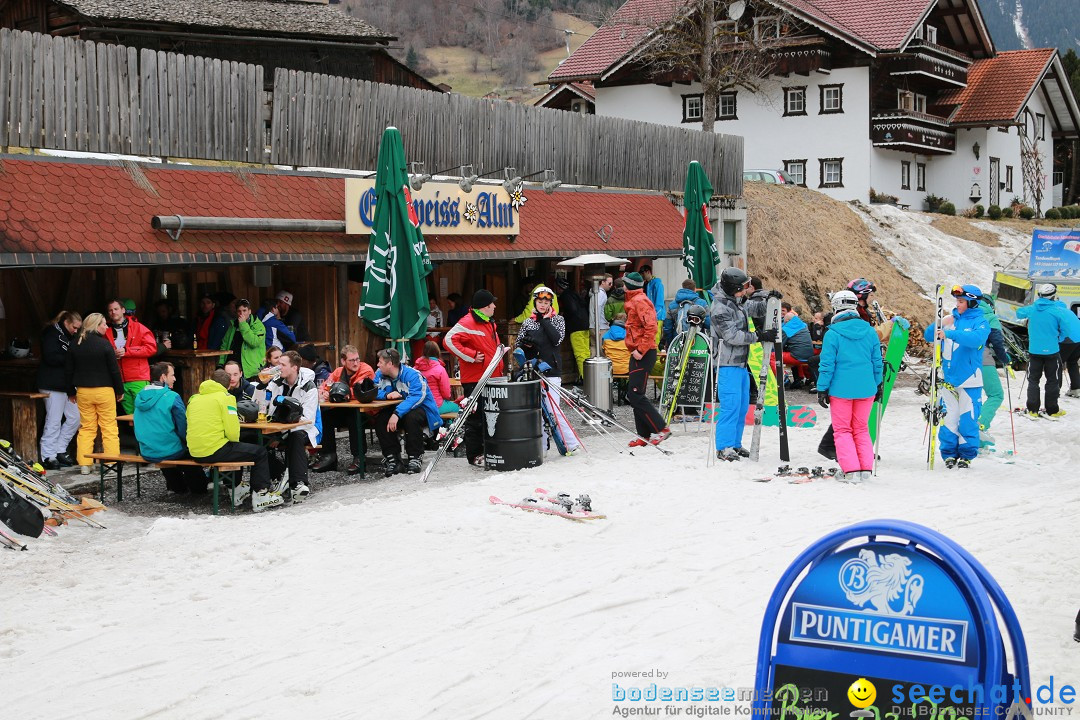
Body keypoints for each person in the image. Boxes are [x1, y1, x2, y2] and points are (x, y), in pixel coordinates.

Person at [187, 369, 280, 511]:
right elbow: (232, 432)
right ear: (228, 386)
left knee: (236, 448)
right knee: (259, 452)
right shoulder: (226, 398)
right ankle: (261, 495)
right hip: (214, 450)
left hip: (194, 451)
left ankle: (236, 489)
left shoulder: (194, 399)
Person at [815, 291, 883, 482]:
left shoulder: (833, 333)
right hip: (866, 389)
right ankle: (864, 470)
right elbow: (877, 362)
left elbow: (827, 365)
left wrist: (822, 389)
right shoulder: (870, 331)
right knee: (861, 429)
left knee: (843, 430)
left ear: (836, 307)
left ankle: (850, 471)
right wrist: (878, 385)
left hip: (840, 390)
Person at [711, 267, 777, 460]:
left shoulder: (736, 301)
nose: (745, 290)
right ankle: (724, 447)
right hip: (727, 364)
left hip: (740, 364)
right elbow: (732, 336)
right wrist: (759, 336)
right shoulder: (720, 308)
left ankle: (735, 444)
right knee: (730, 406)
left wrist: (769, 298)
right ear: (732, 287)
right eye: (743, 287)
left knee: (741, 407)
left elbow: (754, 308)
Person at [923, 284, 991, 468]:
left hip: (970, 379)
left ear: (972, 303)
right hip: (948, 379)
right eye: (957, 301)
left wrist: (950, 333)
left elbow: (975, 340)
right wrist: (940, 323)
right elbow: (929, 335)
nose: (958, 304)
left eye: (961, 301)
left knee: (968, 418)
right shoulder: (951, 319)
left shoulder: (981, 322)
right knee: (949, 418)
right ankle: (949, 453)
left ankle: (967, 454)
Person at [515, 286, 580, 454]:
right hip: (533, 370)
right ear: (534, 302)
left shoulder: (558, 319)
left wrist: (543, 320)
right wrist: (526, 345)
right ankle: (541, 446)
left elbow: (557, 339)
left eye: (546, 302)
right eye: (539, 301)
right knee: (536, 411)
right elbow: (518, 344)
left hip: (551, 370)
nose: (543, 305)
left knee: (553, 410)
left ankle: (571, 443)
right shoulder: (528, 322)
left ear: (551, 303)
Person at [444, 289, 504, 467]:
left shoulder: (487, 322)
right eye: (492, 303)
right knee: (476, 418)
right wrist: (470, 355)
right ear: (484, 307)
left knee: (490, 416)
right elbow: (448, 340)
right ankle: (475, 455)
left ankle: (489, 451)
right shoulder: (468, 321)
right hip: (475, 379)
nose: (494, 305)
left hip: (491, 377)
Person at [64, 313, 123, 475]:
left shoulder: (75, 344)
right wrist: (120, 390)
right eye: (104, 324)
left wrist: (70, 392)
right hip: (104, 391)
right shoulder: (104, 345)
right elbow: (114, 371)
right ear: (96, 326)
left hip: (83, 391)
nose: (107, 327)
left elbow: (68, 371)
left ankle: (84, 464)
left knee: (86, 428)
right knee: (109, 428)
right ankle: (111, 463)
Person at [134, 362, 206, 494]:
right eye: (172, 375)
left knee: (167, 446)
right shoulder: (172, 397)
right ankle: (199, 489)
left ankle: (177, 487)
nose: (175, 379)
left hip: (147, 450)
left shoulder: (140, 396)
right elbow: (182, 427)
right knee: (190, 452)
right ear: (163, 377)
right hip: (168, 449)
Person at [372, 348, 442, 476]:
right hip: (398, 411)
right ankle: (393, 459)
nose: (378, 365)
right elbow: (373, 391)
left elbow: (417, 396)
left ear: (390, 364)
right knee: (381, 419)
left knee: (411, 417)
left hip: (423, 410)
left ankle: (415, 457)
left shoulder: (413, 375)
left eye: (380, 362)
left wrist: (397, 413)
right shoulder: (379, 374)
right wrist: (387, 395)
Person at [1015, 283, 1080, 418]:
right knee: (1052, 380)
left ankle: (1032, 409)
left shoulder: (1032, 309)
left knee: (1033, 380)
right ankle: (1052, 410)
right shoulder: (1058, 311)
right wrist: (1059, 338)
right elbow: (1066, 331)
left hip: (1034, 351)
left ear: (1040, 295)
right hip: (1052, 351)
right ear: (1053, 296)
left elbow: (1018, 313)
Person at [622, 272, 670, 446]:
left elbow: (651, 327)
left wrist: (640, 350)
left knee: (635, 395)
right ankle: (644, 436)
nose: (621, 286)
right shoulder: (634, 300)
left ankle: (661, 428)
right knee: (635, 394)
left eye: (624, 283)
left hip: (643, 353)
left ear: (629, 286)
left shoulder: (640, 301)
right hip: (637, 352)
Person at [265, 350, 320, 501]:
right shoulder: (275, 383)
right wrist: (261, 387)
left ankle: (299, 483)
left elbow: (307, 419)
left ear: (294, 367)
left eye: (282, 364)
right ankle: (279, 476)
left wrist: (283, 431)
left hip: (306, 428)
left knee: (295, 437)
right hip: (278, 427)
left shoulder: (309, 387)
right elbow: (263, 408)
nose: (278, 367)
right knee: (259, 441)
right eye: (278, 363)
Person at [314, 345, 375, 474]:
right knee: (326, 416)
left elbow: (359, 391)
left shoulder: (366, 370)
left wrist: (337, 393)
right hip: (344, 409)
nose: (356, 363)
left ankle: (359, 458)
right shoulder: (338, 372)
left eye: (357, 359)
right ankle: (329, 456)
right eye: (352, 360)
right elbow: (325, 386)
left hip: (366, 412)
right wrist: (325, 393)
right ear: (343, 361)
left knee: (354, 416)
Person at [38, 311, 82, 469]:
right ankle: (47, 456)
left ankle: (60, 449)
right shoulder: (51, 333)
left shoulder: (70, 337)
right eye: (74, 327)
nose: (75, 330)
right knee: (54, 420)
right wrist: (71, 359)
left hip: (67, 386)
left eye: (78, 328)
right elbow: (50, 357)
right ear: (66, 322)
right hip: (51, 384)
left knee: (76, 417)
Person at [104, 298, 157, 414]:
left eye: (116, 309)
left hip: (138, 377)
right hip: (119, 379)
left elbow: (152, 348)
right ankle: (136, 433)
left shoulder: (139, 328)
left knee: (144, 411)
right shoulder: (105, 330)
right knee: (130, 415)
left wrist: (127, 351)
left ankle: (147, 433)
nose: (113, 312)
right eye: (110, 310)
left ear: (123, 310)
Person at [976, 294, 1011, 448]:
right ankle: (980, 428)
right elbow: (997, 342)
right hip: (982, 359)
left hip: (960, 360)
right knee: (996, 394)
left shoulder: (965, 313)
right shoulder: (990, 317)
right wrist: (1005, 359)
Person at [219, 299, 266, 380]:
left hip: (250, 369)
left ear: (250, 311)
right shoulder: (233, 325)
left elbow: (254, 342)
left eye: (244, 310)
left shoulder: (258, 325)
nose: (242, 314)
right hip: (232, 366)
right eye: (239, 311)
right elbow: (225, 345)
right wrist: (221, 363)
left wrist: (243, 324)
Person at [414, 341, 460, 415]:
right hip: (436, 405)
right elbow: (446, 394)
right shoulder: (440, 369)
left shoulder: (415, 369)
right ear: (437, 352)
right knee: (458, 407)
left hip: (419, 405)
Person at [558, 276, 591, 379]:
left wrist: (564, 317)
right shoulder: (574, 294)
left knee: (580, 354)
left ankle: (585, 378)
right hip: (585, 325)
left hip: (576, 327)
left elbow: (572, 309)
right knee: (586, 352)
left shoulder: (565, 296)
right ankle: (589, 377)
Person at [663, 278, 710, 348]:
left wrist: (671, 343)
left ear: (682, 287)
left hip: (678, 342)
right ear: (695, 289)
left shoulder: (672, 305)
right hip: (698, 343)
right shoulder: (702, 303)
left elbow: (667, 327)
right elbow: (708, 324)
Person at [778, 302, 815, 389]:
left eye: (783, 310)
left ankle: (782, 378)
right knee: (794, 353)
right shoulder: (802, 325)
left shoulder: (786, 328)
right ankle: (799, 379)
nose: (781, 313)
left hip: (798, 356)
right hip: (808, 354)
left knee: (772, 356)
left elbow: (778, 346)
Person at [589, 273, 614, 354]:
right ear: (603, 282)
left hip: (593, 325)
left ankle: (592, 366)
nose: (611, 285)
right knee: (603, 351)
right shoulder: (600, 294)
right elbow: (597, 309)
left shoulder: (595, 293)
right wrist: (598, 326)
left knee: (594, 350)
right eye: (609, 283)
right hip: (600, 327)